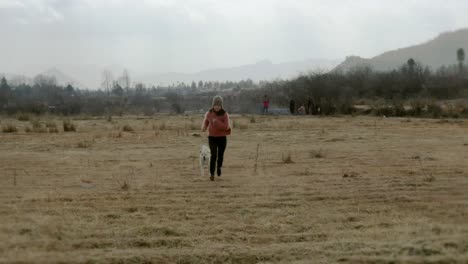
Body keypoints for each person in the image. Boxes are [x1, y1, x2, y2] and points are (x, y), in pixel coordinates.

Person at [201, 95, 231, 181]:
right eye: (215, 105)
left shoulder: (224, 114)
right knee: (213, 155)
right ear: (212, 105)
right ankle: (211, 173)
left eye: (218, 105)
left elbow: (226, 127)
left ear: (221, 106)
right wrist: (204, 127)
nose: (217, 107)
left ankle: (219, 167)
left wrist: (217, 122)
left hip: (222, 138)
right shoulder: (209, 113)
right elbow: (206, 121)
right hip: (212, 138)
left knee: (220, 156)